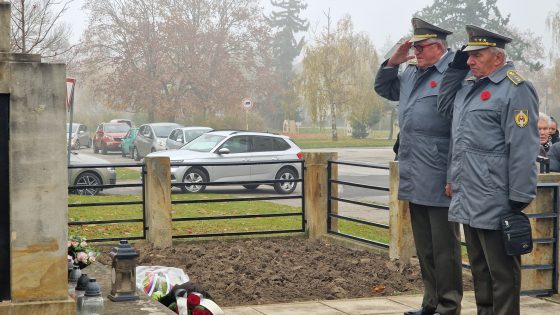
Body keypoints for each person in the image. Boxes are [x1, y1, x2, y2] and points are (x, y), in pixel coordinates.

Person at [437, 25, 539, 315]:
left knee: (502, 276)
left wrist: (518, 198)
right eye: (468, 56)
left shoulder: (515, 89)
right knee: (480, 272)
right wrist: (450, 179)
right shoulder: (468, 87)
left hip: (497, 198)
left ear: (497, 57)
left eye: (476, 56)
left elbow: (522, 147)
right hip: (468, 194)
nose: (470, 61)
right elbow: (455, 135)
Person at [374, 17, 462, 315]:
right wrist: (393, 61)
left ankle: (449, 307)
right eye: (413, 47)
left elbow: (458, 131)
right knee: (425, 247)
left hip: (440, 174)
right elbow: (384, 88)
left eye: (421, 47)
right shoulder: (411, 73)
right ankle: (430, 303)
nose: (416, 52)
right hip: (414, 170)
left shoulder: (454, 74)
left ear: (439, 47)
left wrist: (453, 174)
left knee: (445, 248)